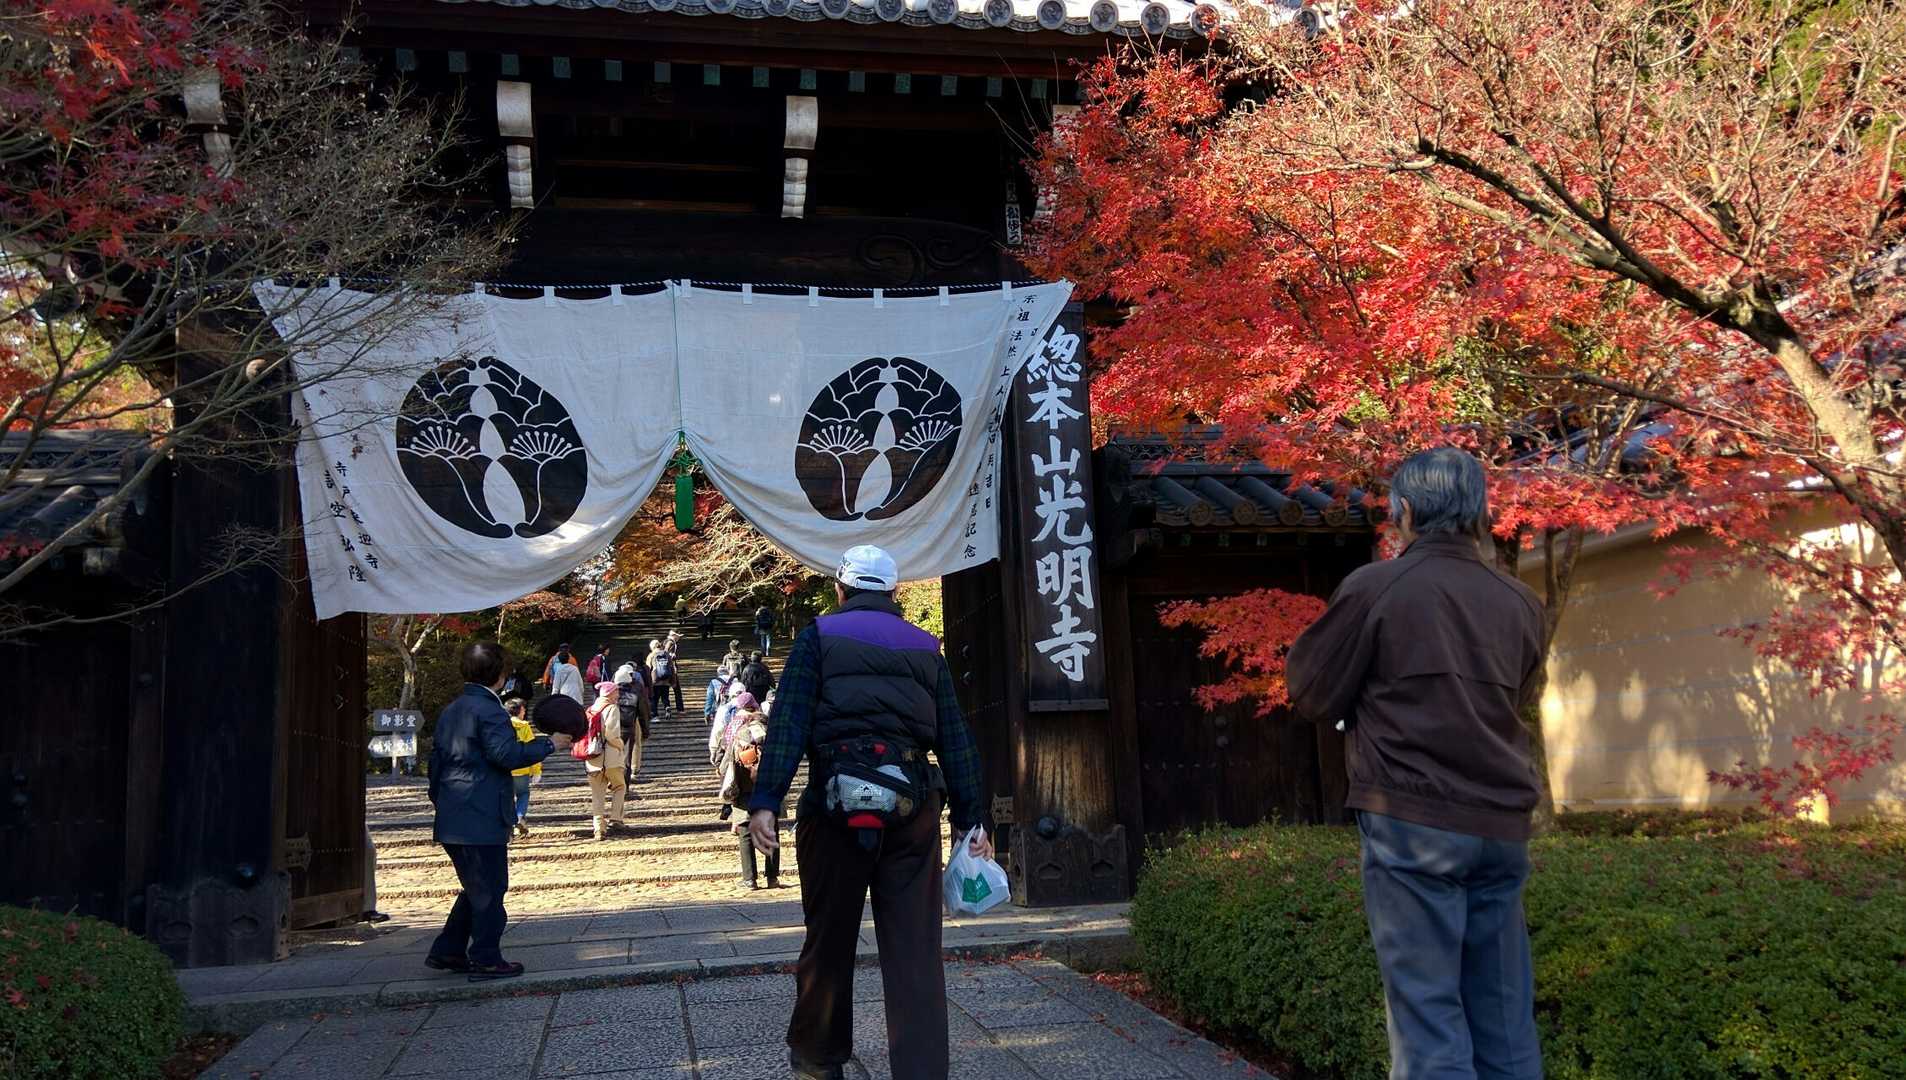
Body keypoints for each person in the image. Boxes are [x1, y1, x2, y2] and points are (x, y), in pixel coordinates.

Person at [1284, 447, 1546, 1080]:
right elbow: (1521, 694)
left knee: (1428, 1019)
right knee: (1506, 1018)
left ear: (1403, 510)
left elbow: (1311, 690)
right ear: (1481, 513)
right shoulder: (1519, 601)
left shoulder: (1377, 587)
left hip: (1412, 821)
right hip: (1501, 825)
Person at [748, 544, 992, 1080]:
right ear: (895, 592)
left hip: (834, 808)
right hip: (912, 810)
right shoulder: (926, 647)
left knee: (829, 938)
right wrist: (972, 819)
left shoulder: (818, 636)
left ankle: (818, 1059)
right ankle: (921, 1071)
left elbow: (789, 721)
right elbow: (955, 738)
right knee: (915, 949)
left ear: (841, 589)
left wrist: (766, 801)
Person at [425, 642, 570, 981]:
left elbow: (436, 764)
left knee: (476, 886)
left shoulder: (452, 709)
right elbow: (506, 754)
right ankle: (486, 957)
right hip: (480, 812)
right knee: (490, 888)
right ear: (500, 675)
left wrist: (442, 801)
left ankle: (448, 949)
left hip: (454, 810)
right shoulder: (489, 710)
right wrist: (550, 744)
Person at [714, 692, 777, 890]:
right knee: (771, 829)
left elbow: (725, 761)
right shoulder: (769, 729)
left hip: (744, 787)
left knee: (745, 831)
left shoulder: (739, 729)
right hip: (768, 786)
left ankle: (749, 879)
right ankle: (772, 877)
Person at [584, 680, 630, 842]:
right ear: (610, 694)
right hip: (610, 758)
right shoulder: (612, 708)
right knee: (619, 786)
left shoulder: (590, 710)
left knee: (597, 794)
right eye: (616, 691)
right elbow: (611, 733)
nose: (618, 694)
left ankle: (598, 827)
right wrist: (621, 744)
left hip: (592, 759)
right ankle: (616, 818)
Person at [613, 659, 653, 790]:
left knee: (615, 752)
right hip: (630, 723)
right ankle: (629, 776)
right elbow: (643, 710)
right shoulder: (636, 688)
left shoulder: (610, 691)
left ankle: (615, 778)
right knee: (629, 752)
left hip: (613, 726)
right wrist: (646, 729)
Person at [506, 698, 538, 838]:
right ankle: (519, 817)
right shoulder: (524, 726)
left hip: (506, 769)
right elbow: (532, 750)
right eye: (524, 709)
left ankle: (508, 828)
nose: (525, 712)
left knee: (507, 798)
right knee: (523, 794)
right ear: (519, 711)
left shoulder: (502, 726)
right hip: (522, 768)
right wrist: (536, 771)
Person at [646, 638, 674, 718]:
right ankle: (667, 707)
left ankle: (655, 715)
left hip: (655, 681)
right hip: (666, 680)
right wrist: (672, 680)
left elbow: (648, 668)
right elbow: (671, 666)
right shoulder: (666, 654)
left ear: (652, 647)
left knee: (654, 699)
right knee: (665, 697)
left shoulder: (651, 655)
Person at [662, 630, 686, 711]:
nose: (679, 638)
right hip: (671, 669)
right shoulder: (671, 643)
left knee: (666, 689)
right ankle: (680, 708)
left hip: (665, 669)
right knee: (677, 689)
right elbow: (667, 654)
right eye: (678, 636)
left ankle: (667, 706)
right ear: (674, 635)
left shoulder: (665, 641)